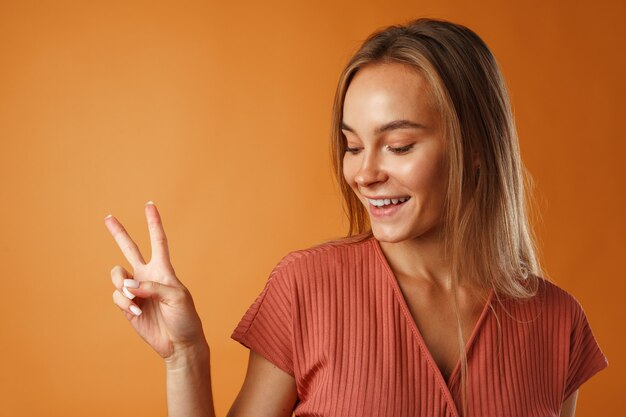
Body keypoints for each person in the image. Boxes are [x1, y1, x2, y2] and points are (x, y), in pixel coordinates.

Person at [105, 18, 608, 417]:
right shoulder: (307, 287)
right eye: (352, 146)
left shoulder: (558, 323)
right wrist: (184, 357)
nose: (364, 173)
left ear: (474, 147)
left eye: (398, 145)